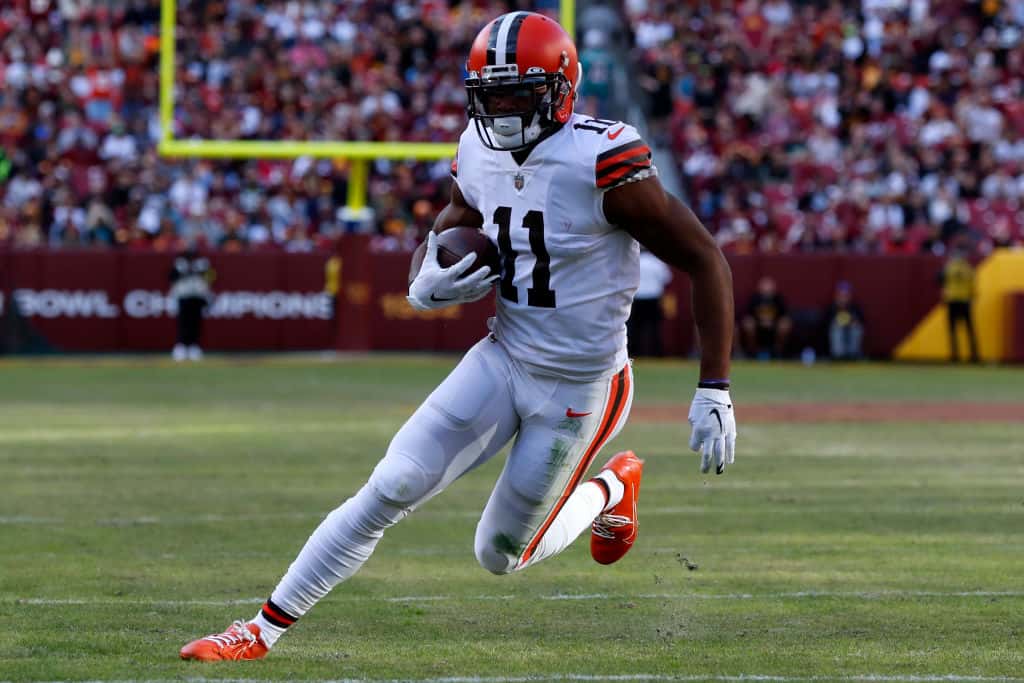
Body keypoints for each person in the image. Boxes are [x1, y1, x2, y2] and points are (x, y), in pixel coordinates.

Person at [180, 12, 737, 662]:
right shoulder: (476, 147)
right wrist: (424, 279)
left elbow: (706, 260)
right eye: (489, 93)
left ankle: (614, 485)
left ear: (561, 90)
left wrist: (716, 387)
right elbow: (449, 225)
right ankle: (259, 629)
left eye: (516, 93)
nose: (500, 109)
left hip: (581, 384)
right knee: (389, 484)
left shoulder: (604, 158)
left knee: (500, 554)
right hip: (504, 356)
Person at [169, 247, 213, 362]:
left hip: (198, 295)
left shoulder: (202, 263)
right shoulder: (179, 263)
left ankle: (194, 346)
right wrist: (182, 271)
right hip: (183, 295)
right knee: (183, 322)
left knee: (196, 322)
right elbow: (171, 277)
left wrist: (202, 271)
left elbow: (212, 278)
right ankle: (181, 346)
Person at [626, 248, 673, 357]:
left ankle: (633, 352)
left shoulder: (635, 261)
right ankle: (655, 353)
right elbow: (667, 279)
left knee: (635, 328)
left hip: (637, 298)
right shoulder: (658, 262)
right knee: (654, 327)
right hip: (654, 298)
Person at [941, 246, 979, 363]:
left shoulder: (949, 268)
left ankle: (954, 355)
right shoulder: (968, 268)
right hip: (964, 301)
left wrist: (945, 297)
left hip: (952, 301)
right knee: (970, 330)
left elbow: (943, 283)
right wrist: (972, 297)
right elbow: (973, 285)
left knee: (952, 330)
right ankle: (974, 355)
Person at [741, 276, 792, 359]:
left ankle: (778, 352)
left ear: (773, 288)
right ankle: (752, 352)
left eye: (769, 286)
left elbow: (785, 316)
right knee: (748, 324)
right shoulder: (754, 299)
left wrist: (773, 322)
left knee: (785, 325)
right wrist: (760, 322)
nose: (766, 289)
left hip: (774, 326)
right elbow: (747, 316)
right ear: (759, 288)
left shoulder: (778, 299)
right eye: (764, 286)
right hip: (758, 326)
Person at [825, 281, 864, 360]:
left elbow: (862, 322)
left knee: (856, 329)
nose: (843, 297)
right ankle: (838, 356)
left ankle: (852, 355)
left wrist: (853, 323)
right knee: (836, 328)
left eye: (846, 295)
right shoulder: (832, 307)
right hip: (837, 335)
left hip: (850, 333)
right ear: (837, 295)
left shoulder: (854, 308)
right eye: (841, 295)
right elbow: (825, 323)